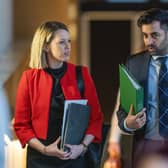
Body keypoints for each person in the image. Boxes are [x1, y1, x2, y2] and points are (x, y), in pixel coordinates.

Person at [13, 21, 103, 168]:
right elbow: (21, 125)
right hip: (40, 158)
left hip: (74, 156)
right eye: (61, 42)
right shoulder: (29, 78)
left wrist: (82, 147)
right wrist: (44, 150)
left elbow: (96, 119)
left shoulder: (82, 74)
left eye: (69, 41)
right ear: (46, 46)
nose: (68, 47)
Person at [117, 8, 168, 168]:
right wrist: (127, 123)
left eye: (155, 35)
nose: (148, 42)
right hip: (145, 147)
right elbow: (122, 111)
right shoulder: (134, 63)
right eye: (145, 35)